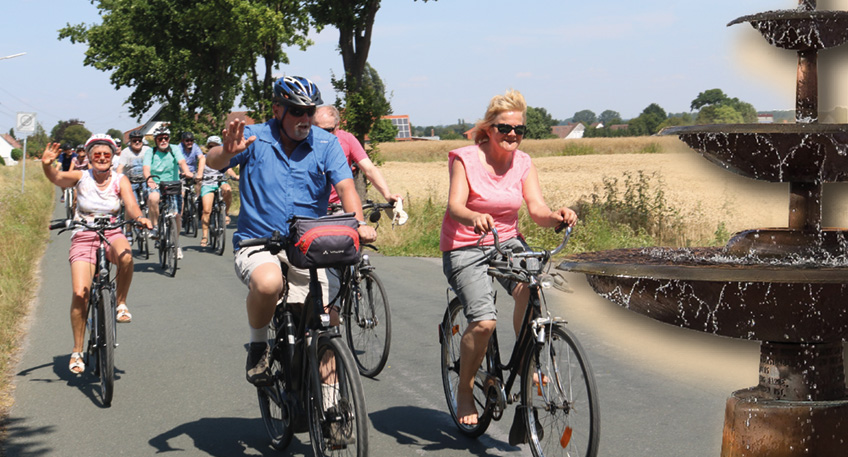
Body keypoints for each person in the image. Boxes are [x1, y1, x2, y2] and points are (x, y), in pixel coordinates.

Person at [205, 75, 376, 387]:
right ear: (277, 110)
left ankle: (331, 408)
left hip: (309, 245)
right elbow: (213, 160)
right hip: (259, 243)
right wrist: (227, 152)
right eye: (297, 111)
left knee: (326, 319)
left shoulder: (326, 143)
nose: (305, 119)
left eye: (309, 111)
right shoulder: (253, 138)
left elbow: (346, 187)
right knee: (269, 284)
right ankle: (259, 345)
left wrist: (358, 223)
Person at [440, 89, 577, 433]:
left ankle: (526, 358)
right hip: (465, 245)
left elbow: (536, 209)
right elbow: (455, 205)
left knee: (531, 290)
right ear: (489, 129)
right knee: (484, 321)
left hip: (507, 242)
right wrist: (473, 216)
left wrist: (557, 216)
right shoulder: (466, 158)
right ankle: (465, 390)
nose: (512, 134)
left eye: (519, 129)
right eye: (505, 128)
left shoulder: (523, 163)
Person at [41, 134, 152, 374]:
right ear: (90, 158)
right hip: (84, 234)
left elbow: (131, 205)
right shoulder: (82, 177)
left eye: (106, 155)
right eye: (97, 155)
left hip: (112, 231)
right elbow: (58, 177)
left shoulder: (120, 179)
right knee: (80, 293)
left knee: (126, 257)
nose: (102, 158)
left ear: (112, 158)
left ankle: (121, 303)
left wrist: (139, 217)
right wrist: (47, 165)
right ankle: (77, 351)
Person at [313, 105, 403, 206]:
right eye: (318, 130)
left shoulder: (347, 139)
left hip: (337, 205)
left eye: (328, 130)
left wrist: (387, 195)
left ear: (337, 125)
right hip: (311, 205)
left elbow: (369, 169)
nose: (323, 134)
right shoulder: (305, 141)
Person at [143, 126, 194, 259]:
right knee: (153, 198)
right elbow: (146, 168)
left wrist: (187, 171)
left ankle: (176, 245)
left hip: (173, 184)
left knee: (177, 215)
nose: (163, 140)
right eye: (160, 138)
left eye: (166, 138)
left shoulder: (174, 149)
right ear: (155, 140)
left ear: (169, 139)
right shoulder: (151, 152)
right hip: (156, 183)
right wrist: (149, 180)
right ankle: (155, 227)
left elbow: (181, 162)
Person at [196, 135, 239, 247]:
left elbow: (229, 169)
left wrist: (235, 176)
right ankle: (205, 235)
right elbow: (200, 170)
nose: (213, 148)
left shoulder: (222, 157)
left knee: (228, 189)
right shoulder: (204, 158)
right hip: (208, 183)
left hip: (220, 181)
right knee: (206, 210)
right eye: (211, 146)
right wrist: (199, 176)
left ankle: (226, 213)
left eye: (216, 146)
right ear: (207, 147)